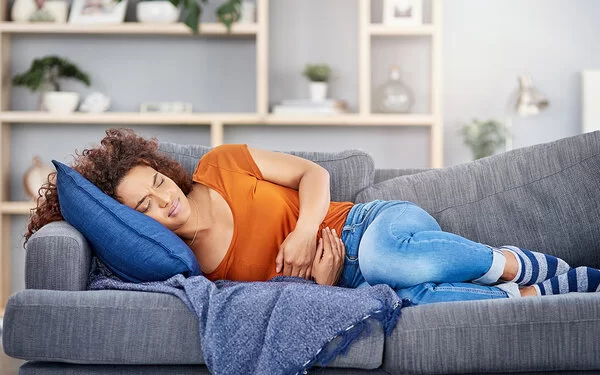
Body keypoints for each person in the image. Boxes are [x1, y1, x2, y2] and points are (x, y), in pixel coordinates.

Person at [26, 128, 600, 306]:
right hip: (346, 281)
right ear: (133, 224)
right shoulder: (186, 269)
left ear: (160, 169)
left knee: (381, 258)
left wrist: (305, 232)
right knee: (407, 305)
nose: (162, 201)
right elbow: (274, 301)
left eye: (155, 183)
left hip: (365, 227)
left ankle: (515, 262)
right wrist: (322, 285)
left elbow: (313, 176)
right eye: (144, 207)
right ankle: (540, 296)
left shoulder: (222, 166)